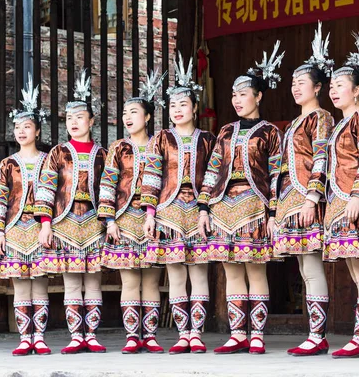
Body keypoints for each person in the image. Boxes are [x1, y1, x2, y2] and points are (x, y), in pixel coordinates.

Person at [197, 42, 285, 355]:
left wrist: (273, 212)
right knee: (230, 269)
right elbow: (212, 170)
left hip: (253, 204)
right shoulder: (224, 131)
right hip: (222, 206)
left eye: (243, 94)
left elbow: (277, 175)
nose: (237, 100)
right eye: (233, 95)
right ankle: (237, 333)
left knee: (255, 268)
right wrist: (204, 207)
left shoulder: (270, 132)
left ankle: (257, 334)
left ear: (258, 96)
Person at [141, 55, 216, 354]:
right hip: (168, 211)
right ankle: (182, 332)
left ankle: (197, 333)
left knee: (198, 272)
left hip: (198, 212)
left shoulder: (209, 139)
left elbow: (214, 176)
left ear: (195, 108)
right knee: (175, 274)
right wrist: (150, 213)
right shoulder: (161, 139)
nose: (177, 110)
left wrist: (206, 208)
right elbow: (151, 175)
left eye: (183, 104)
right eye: (173, 105)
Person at [272, 22, 335, 356]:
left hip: (306, 200)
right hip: (288, 200)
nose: (296, 88)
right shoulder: (295, 122)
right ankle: (314, 333)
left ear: (318, 87)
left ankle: (318, 335)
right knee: (302, 268)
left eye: (302, 83)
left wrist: (313, 196)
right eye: (293, 83)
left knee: (311, 267)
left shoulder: (320, 118)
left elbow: (322, 157)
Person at [35, 70, 108, 354]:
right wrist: (45, 223)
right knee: (71, 281)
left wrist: (108, 220)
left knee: (93, 280)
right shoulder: (58, 153)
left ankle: (92, 335)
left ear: (91, 121)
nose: (74, 123)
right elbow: (45, 189)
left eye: (80, 118)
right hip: (64, 222)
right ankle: (76, 335)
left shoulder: (104, 154)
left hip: (93, 223)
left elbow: (109, 190)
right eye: (69, 119)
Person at [323, 22, 359, 359]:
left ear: (357, 89)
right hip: (338, 202)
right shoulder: (339, 123)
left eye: (341, 85)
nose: (334, 91)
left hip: (354, 201)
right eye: (331, 86)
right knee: (355, 271)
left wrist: (358, 195)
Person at [99, 70, 167, 354]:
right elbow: (107, 183)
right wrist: (110, 220)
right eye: (125, 112)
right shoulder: (118, 147)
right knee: (129, 278)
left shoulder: (160, 144)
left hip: (154, 218)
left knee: (151, 278)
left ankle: (149, 335)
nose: (128, 117)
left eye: (134, 112)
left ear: (148, 116)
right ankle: (131, 336)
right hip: (125, 219)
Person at [0, 76, 50, 356]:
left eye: (27, 127)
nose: (21, 131)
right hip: (13, 229)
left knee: (40, 284)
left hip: (39, 229)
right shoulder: (7, 163)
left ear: (37, 131)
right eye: (17, 127)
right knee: (19, 286)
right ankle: (25, 338)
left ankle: (40, 338)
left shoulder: (49, 160)